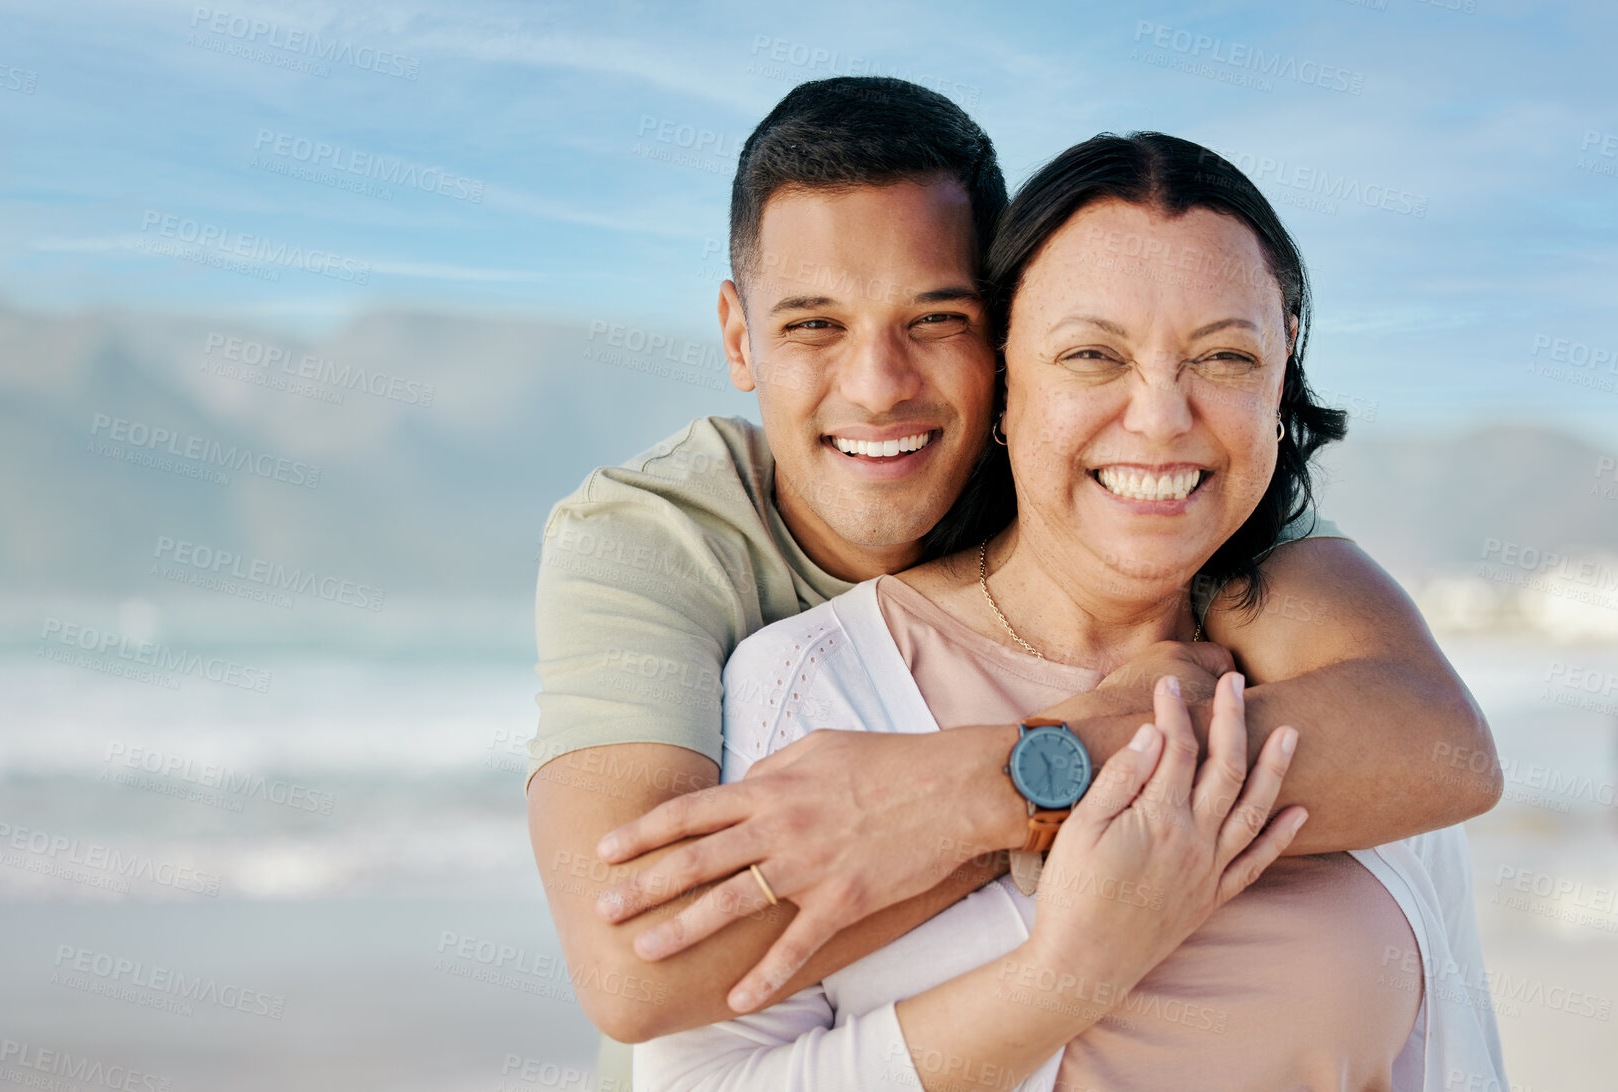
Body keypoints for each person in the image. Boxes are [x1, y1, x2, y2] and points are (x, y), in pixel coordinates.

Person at [527, 78, 1500, 1086]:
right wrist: (1036, 852)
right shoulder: (686, 573)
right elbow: (639, 973)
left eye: (934, 319)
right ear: (737, 335)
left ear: (993, 345)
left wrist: (1007, 778)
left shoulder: (1208, 541)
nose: (876, 385)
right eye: (813, 325)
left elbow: (1439, 747)